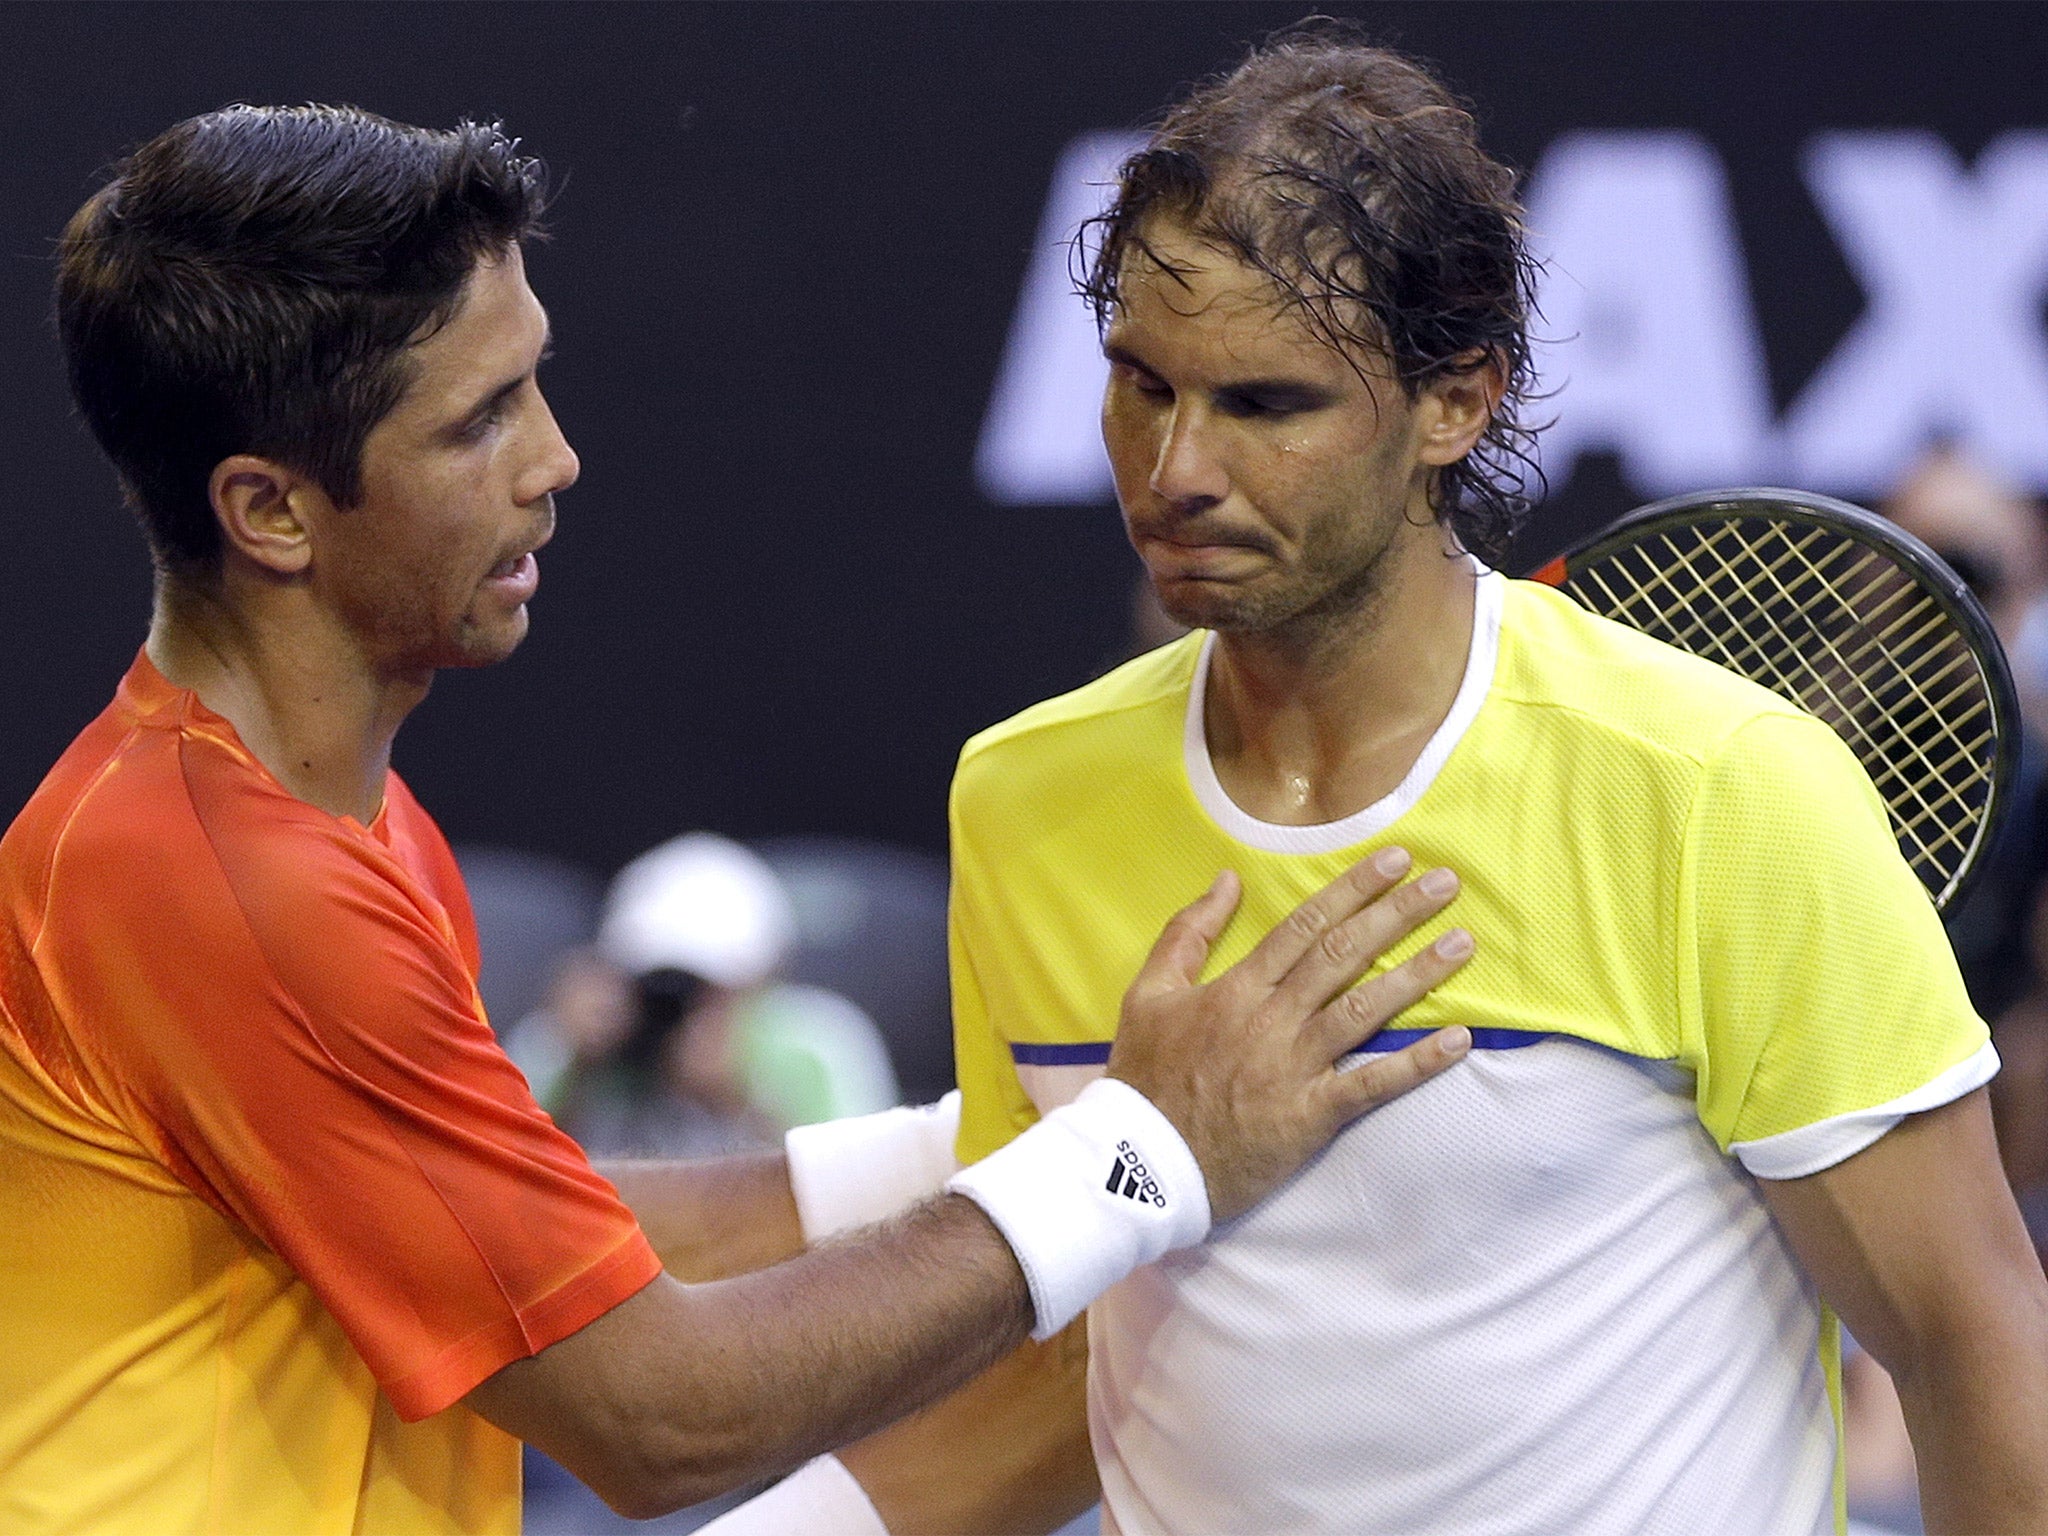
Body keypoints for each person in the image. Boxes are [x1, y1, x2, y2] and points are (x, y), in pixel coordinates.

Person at [0, 104, 1481, 1534]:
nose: (555, 460)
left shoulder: (327, 830)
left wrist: (996, 1138)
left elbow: (540, 1248)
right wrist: (1140, 1156)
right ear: (270, 512)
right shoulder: (231, 886)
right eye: (480, 421)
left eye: (536, 381)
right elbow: (662, 1420)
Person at [705, 22, 2048, 1536]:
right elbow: (1068, 1352)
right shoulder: (1021, 798)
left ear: (1456, 404)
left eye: (1265, 404)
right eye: (1142, 384)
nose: (1174, 469)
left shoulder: (1716, 787)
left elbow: (1970, 1339)